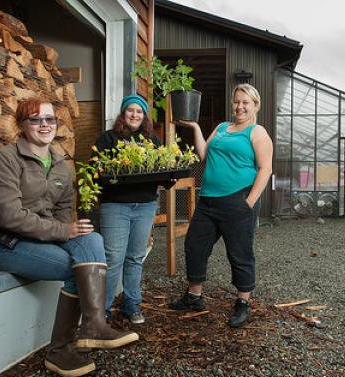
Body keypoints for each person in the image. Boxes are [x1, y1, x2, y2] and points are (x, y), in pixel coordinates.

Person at [0, 97, 139, 377]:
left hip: (39, 239)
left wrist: (68, 233)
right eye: (36, 119)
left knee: (92, 240)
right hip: (3, 243)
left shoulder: (63, 164)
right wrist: (63, 233)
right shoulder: (7, 159)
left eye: (50, 119)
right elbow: (8, 216)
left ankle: (93, 325)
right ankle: (60, 350)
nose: (44, 125)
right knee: (77, 269)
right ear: (21, 124)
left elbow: (65, 213)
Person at [169, 83, 273, 328]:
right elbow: (203, 154)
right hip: (208, 199)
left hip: (238, 200)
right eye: (236, 101)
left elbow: (266, 169)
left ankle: (243, 303)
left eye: (245, 102)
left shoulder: (257, 133)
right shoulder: (222, 127)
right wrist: (195, 126)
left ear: (255, 106)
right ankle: (194, 296)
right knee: (195, 245)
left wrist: (248, 203)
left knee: (239, 252)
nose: (239, 106)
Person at [95, 94, 162, 324]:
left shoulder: (153, 142)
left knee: (135, 257)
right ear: (123, 114)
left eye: (139, 112)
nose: (134, 115)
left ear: (144, 116)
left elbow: (161, 172)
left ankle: (131, 304)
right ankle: (101, 309)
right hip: (115, 206)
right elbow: (97, 172)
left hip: (145, 205)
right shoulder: (108, 139)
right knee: (113, 258)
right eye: (130, 110)